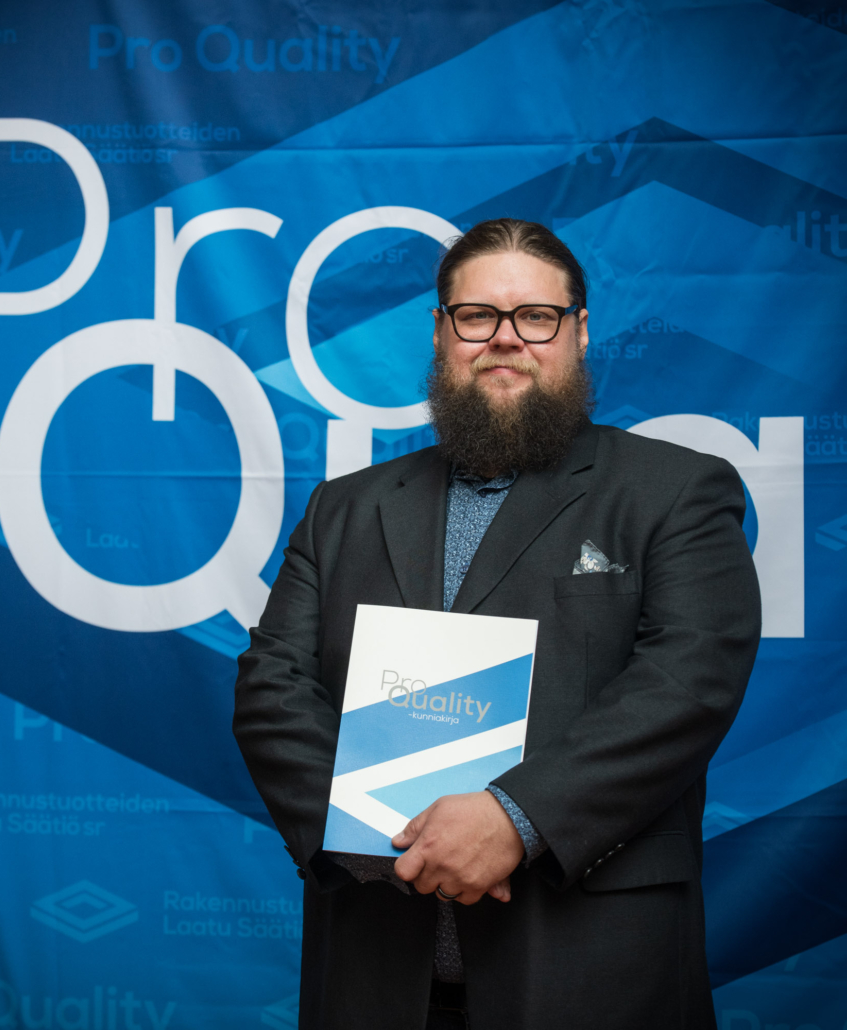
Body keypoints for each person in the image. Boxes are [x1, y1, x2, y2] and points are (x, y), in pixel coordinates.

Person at [233, 218, 761, 1029]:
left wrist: (516, 817)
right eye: (477, 316)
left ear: (579, 332)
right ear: (441, 333)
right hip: (376, 972)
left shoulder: (676, 491)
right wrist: (376, 832)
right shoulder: (345, 508)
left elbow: (688, 684)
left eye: (536, 317)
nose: (505, 338)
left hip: (590, 976)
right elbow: (271, 688)